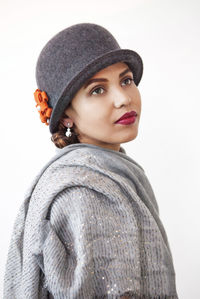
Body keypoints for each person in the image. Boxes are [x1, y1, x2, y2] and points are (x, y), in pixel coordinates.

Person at [3, 23, 179, 299]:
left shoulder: (118, 172)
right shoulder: (84, 192)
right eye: (97, 90)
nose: (123, 99)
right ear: (65, 117)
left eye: (126, 80)